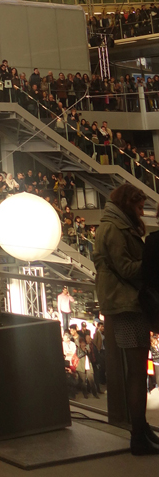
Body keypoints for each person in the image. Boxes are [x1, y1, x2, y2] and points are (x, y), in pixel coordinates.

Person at [93, 183, 158, 455]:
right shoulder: (115, 229)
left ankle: (141, 430)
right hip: (127, 305)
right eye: (139, 207)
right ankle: (138, 435)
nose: (142, 213)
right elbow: (127, 268)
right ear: (127, 204)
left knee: (136, 371)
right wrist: (153, 261)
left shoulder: (112, 225)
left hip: (121, 304)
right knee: (135, 373)